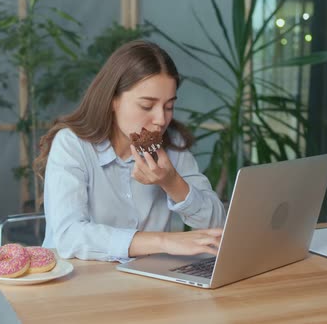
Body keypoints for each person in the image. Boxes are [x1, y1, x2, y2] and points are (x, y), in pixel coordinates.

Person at [33, 40, 226, 262]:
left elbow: (217, 226)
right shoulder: (72, 144)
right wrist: (164, 241)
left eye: (169, 106)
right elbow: (69, 235)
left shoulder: (172, 144)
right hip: (80, 281)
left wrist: (173, 183)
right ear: (113, 100)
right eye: (146, 106)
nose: (161, 119)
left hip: (150, 281)